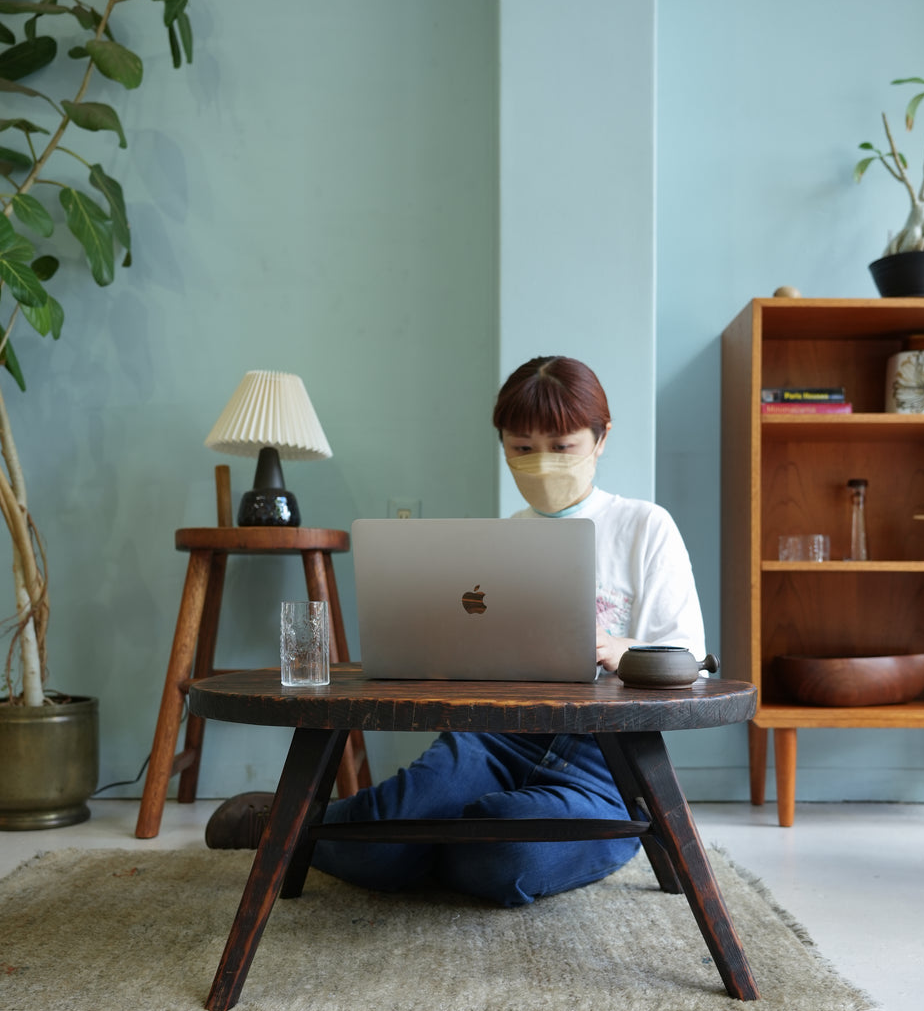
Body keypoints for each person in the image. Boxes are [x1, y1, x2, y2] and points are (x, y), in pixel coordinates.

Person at [205, 356, 706, 906]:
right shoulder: (500, 538)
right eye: (522, 448)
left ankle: (398, 838)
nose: (541, 463)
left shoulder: (645, 527)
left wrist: (619, 648)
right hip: (494, 737)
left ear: (601, 438)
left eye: (561, 446)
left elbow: (691, 659)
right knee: (384, 846)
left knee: (502, 859)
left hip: (599, 762)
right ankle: (291, 821)